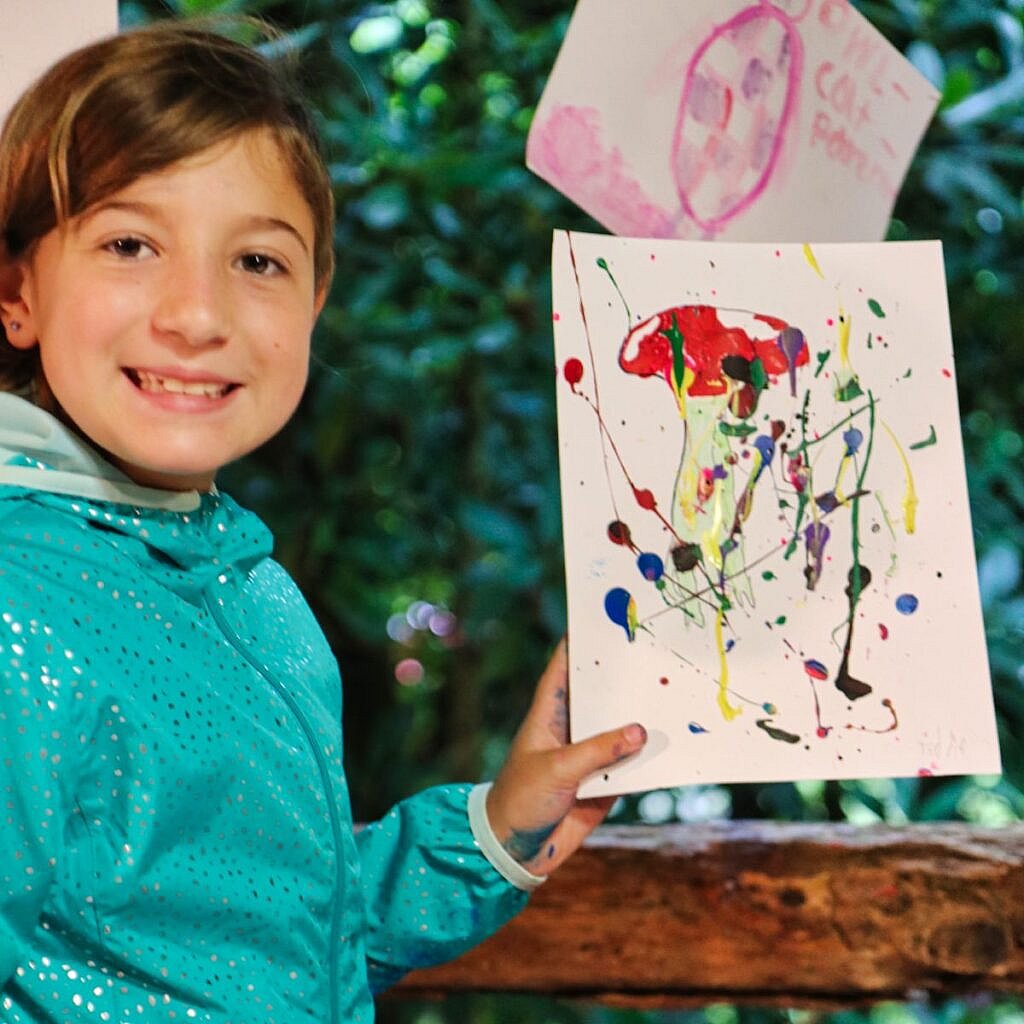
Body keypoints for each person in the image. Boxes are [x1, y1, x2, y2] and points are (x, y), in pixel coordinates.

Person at [0, 18, 647, 1024]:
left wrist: (495, 824)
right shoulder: (14, 610)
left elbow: (292, 940)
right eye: (131, 244)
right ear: (16, 291)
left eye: (257, 262)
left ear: (315, 299)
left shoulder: (251, 587)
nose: (197, 313)